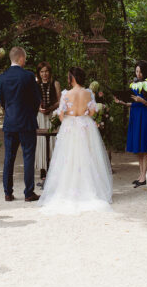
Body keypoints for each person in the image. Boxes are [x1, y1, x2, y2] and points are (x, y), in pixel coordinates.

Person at [38, 67, 112, 214]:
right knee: (87, 157)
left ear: (72, 78)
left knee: (68, 158)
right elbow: (92, 112)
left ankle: (68, 190)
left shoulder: (66, 94)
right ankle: (89, 189)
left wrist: (68, 115)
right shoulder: (89, 93)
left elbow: (60, 114)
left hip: (70, 128)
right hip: (85, 127)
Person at [0, 46, 42, 202]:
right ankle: (28, 193)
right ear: (21, 58)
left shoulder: (2, 78)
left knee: (9, 157)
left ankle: (7, 192)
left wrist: (9, 112)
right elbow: (37, 99)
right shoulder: (28, 76)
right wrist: (31, 113)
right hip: (27, 121)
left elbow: (1, 100)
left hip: (10, 121)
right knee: (28, 157)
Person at [115, 60, 147, 188]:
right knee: (138, 147)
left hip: (144, 115)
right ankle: (141, 174)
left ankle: (145, 176)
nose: (138, 74)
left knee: (144, 146)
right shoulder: (134, 84)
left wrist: (142, 100)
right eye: (137, 71)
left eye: (141, 72)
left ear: (145, 72)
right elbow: (132, 102)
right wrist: (122, 102)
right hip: (135, 115)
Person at [35, 62, 61, 179]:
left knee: (52, 140)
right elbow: (32, 100)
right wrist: (39, 108)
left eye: (46, 71)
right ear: (39, 73)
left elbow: (60, 101)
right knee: (40, 141)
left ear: (49, 72)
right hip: (40, 115)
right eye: (42, 72)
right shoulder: (35, 84)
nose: (44, 74)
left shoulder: (55, 83)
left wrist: (50, 108)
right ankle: (42, 168)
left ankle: (53, 166)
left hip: (52, 115)